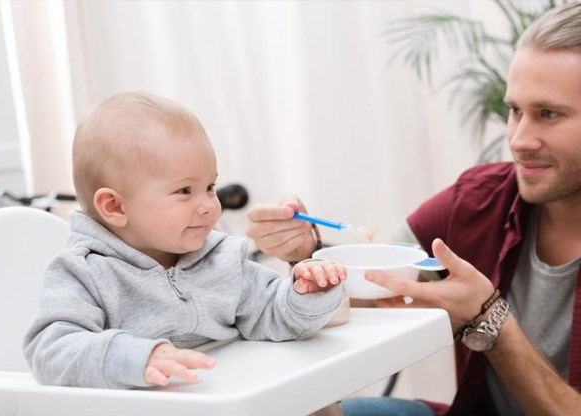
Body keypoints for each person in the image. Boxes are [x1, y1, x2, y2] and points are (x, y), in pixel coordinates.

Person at [246, 2, 581, 415]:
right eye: (515, 110)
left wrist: (492, 322)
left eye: (548, 114)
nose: (518, 140)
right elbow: (376, 284)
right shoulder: (479, 199)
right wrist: (308, 253)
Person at [23, 91, 347, 389]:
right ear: (115, 207)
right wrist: (135, 358)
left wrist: (305, 296)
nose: (209, 205)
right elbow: (50, 352)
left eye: (210, 187)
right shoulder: (84, 273)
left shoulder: (224, 259)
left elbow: (272, 316)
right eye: (184, 191)